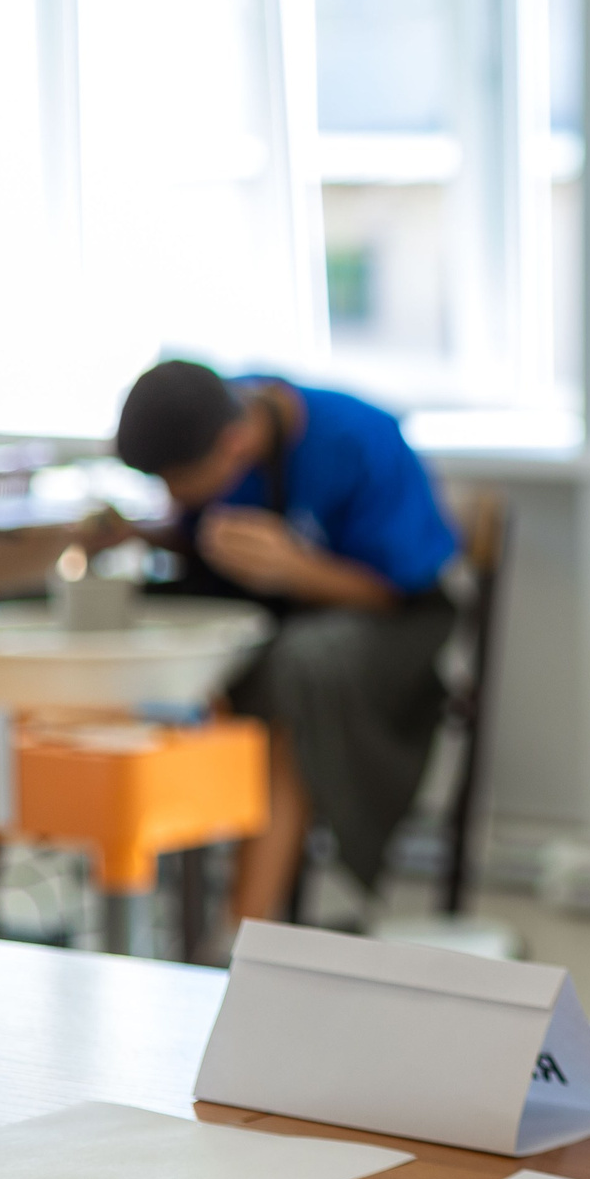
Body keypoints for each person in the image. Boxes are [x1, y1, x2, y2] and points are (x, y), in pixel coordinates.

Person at [105, 360, 459, 922]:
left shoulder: (360, 438)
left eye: (179, 482)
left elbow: (400, 589)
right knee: (169, 642)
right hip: (278, 618)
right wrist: (133, 531)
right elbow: (190, 529)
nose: (173, 497)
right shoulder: (218, 405)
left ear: (234, 443)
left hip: (390, 617)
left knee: (295, 675)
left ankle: (246, 929)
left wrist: (298, 570)